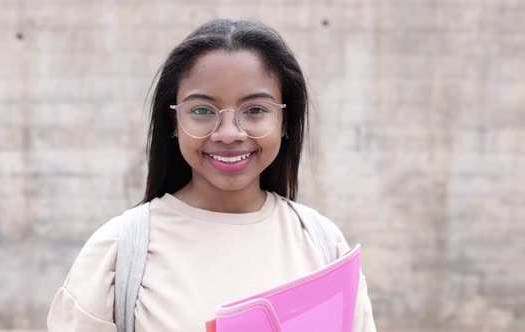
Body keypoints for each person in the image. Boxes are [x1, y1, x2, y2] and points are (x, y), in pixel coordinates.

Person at [47, 18, 376, 332]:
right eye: (202, 111)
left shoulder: (323, 244)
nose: (229, 133)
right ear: (174, 123)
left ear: (285, 122)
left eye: (256, 110)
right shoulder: (118, 251)